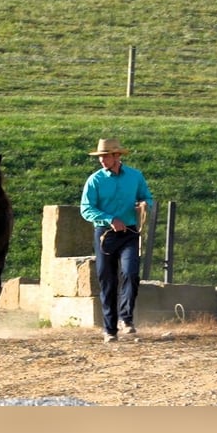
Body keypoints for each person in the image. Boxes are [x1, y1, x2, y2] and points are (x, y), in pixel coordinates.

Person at [80, 138, 154, 343]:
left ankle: (126, 318)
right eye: (100, 157)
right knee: (108, 280)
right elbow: (86, 209)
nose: (102, 160)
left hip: (130, 232)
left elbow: (147, 197)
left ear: (117, 156)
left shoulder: (135, 176)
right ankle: (109, 329)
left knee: (130, 273)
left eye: (105, 156)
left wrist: (144, 205)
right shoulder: (94, 180)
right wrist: (110, 219)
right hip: (105, 234)